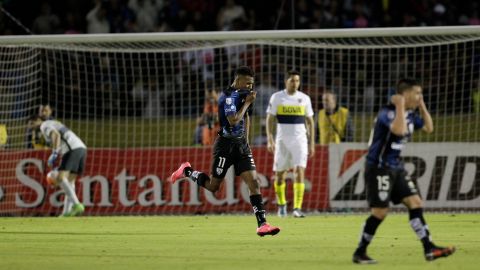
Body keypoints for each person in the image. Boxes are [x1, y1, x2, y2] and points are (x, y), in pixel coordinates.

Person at [352, 78, 455, 264]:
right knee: (380, 212)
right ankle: (360, 252)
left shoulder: (410, 114)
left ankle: (429, 248)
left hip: (396, 167)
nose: (419, 96)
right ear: (405, 94)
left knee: (415, 202)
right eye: (417, 93)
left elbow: (429, 128)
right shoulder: (387, 112)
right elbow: (398, 131)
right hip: (378, 168)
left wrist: (421, 104)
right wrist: (400, 105)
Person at [170, 66, 280, 237]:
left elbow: (246, 116)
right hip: (225, 146)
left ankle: (262, 224)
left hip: (241, 145)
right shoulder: (228, 97)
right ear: (239, 80)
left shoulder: (243, 94)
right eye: (248, 83)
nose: (251, 86)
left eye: (252, 84)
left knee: (254, 183)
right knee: (214, 186)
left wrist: (247, 140)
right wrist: (249, 103)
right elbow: (234, 120)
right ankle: (187, 171)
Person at [266, 70, 315, 218]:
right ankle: (282, 205)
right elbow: (269, 119)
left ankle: (297, 208)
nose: (295, 83)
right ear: (286, 81)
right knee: (280, 175)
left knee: (299, 171)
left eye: (297, 81)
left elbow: (310, 121)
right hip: (282, 141)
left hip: (300, 140)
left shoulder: (304, 98)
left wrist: (312, 143)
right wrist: (270, 139)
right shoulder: (277, 97)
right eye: (292, 80)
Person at [28, 115, 86, 217]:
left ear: (38, 120)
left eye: (31, 123)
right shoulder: (54, 123)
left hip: (72, 148)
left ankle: (76, 204)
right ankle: (66, 213)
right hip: (81, 148)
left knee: (60, 178)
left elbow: (56, 135)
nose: (30, 127)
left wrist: (54, 153)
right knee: (70, 181)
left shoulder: (44, 125)